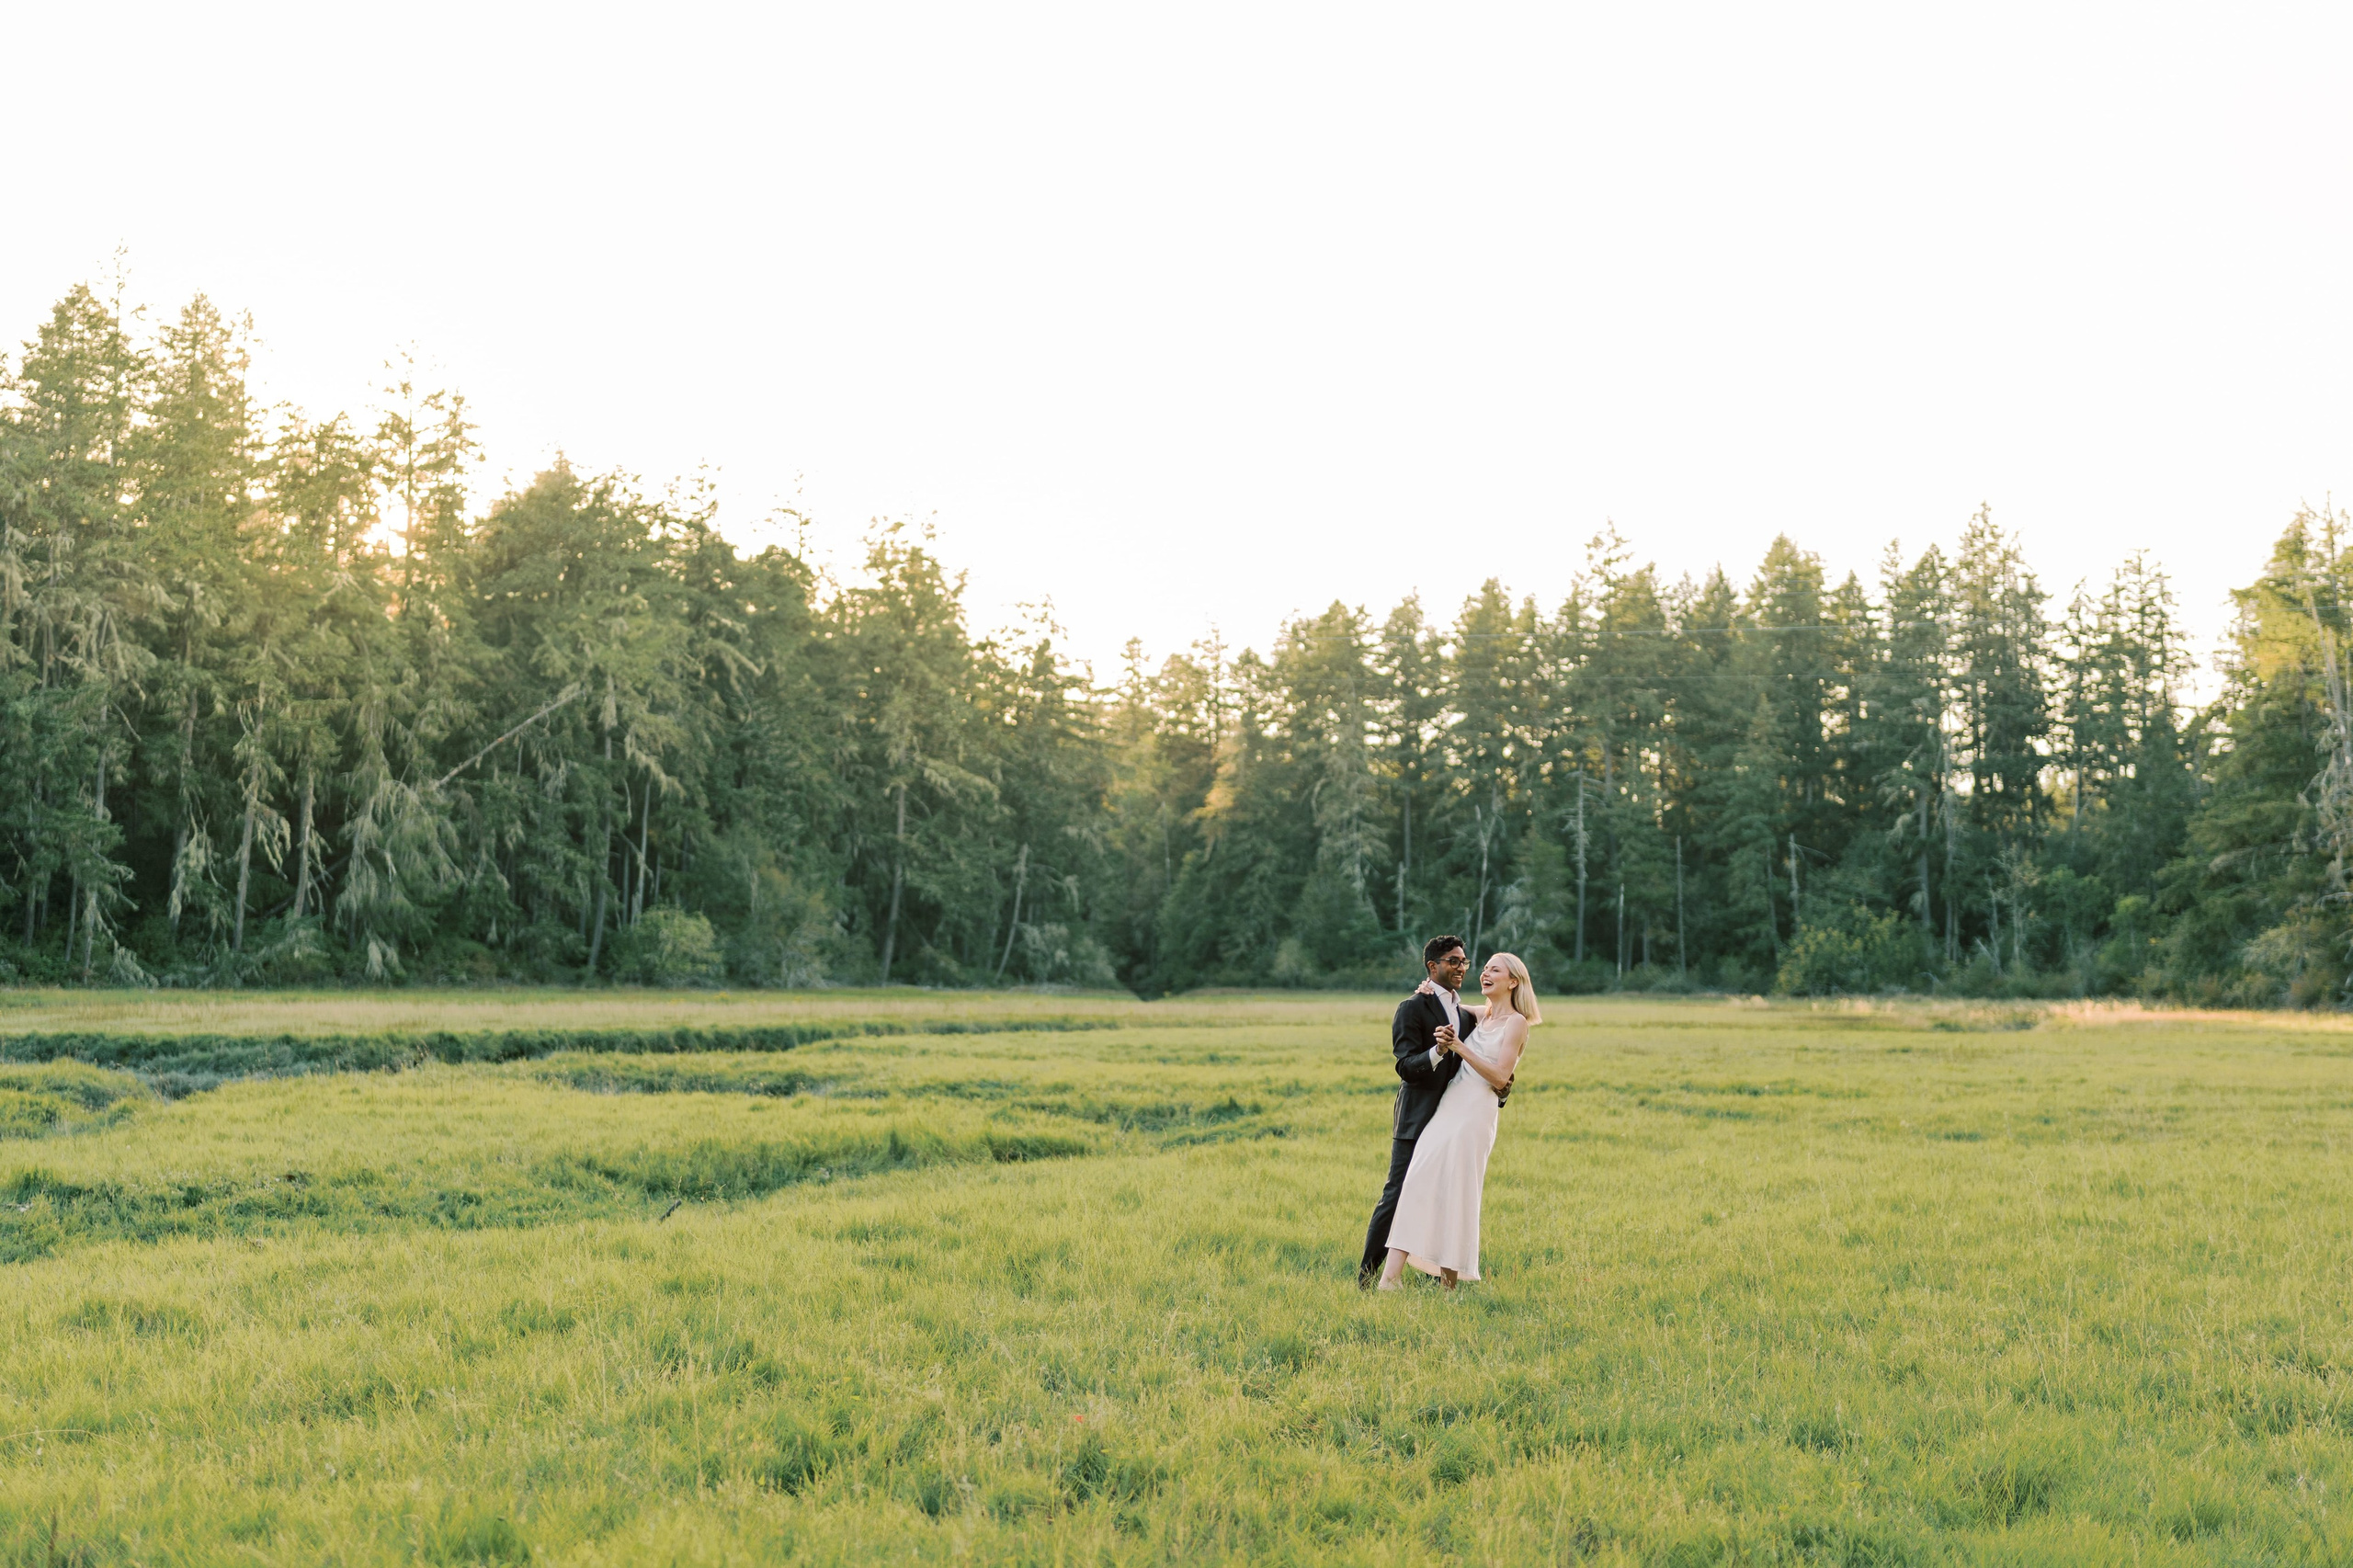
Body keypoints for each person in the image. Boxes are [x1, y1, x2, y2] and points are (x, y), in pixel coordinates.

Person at [1374, 950, 1540, 1290]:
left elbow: (1499, 1076)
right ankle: (1390, 1278)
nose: (1484, 973)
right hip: (1448, 1109)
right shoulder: (1484, 1014)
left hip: (1475, 1116)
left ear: (1513, 981)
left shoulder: (1516, 1023)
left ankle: (1449, 1284)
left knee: (1460, 1193)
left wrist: (1459, 1047)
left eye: (1495, 969)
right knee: (1418, 1182)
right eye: (1484, 969)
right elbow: (1447, 1006)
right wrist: (1430, 988)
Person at [1357, 935, 1507, 1286]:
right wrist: (1437, 1052)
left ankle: (1436, 1275)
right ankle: (1367, 1277)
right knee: (1397, 1195)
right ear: (1432, 966)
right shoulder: (1412, 1007)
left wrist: (1501, 1088)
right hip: (1417, 1117)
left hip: (1455, 1120)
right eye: (1453, 961)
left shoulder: (1468, 1015)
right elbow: (1406, 1067)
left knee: (1443, 1196)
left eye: (1464, 962)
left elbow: (1479, 1066)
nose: (1461, 968)